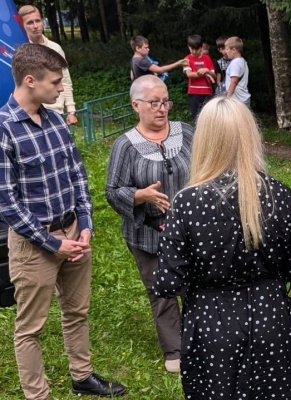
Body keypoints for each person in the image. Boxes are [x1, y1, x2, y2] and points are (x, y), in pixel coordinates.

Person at [154, 97, 291, 399]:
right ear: (251, 137)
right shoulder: (282, 196)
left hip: (212, 324)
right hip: (270, 318)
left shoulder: (187, 204)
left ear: (204, 141)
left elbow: (167, 282)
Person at [0, 43, 126, 399]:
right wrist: (53, 244)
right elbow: (7, 203)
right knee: (30, 328)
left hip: (73, 231)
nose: (61, 89)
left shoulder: (55, 121)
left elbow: (78, 176)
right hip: (33, 244)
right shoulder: (4, 129)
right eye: (55, 82)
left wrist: (84, 224)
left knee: (76, 311)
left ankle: (82, 376)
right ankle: (37, 395)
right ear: (30, 80)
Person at [105, 75, 193, 374]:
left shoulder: (186, 133)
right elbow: (112, 192)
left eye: (165, 101)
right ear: (136, 105)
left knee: (195, 284)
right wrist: (139, 196)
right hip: (147, 234)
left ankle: (200, 337)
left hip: (188, 230)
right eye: (154, 103)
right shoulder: (125, 145)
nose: (162, 108)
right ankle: (175, 349)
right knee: (161, 290)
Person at [18, 5, 77, 126]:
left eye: (38, 21)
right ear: (22, 26)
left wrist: (71, 110)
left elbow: (65, 80)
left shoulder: (55, 49)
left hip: (55, 111)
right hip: (29, 113)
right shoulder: (20, 52)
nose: (35, 26)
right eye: (30, 22)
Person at [183, 34, 216, 121]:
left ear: (201, 47)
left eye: (197, 49)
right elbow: (189, 74)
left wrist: (207, 71)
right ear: (188, 47)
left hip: (208, 92)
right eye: (192, 49)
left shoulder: (207, 58)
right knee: (196, 117)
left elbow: (214, 76)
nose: (194, 52)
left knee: (209, 116)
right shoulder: (186, 59)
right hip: (194, 93)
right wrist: (203, 73)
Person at [224, 36, 250, 106]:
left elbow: (234, 82)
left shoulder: (235, 63)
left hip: (237, 101)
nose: (225, 52)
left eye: (227, 49)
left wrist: (227, 98)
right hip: (243, 99)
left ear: (233, 50)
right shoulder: (243, 61)